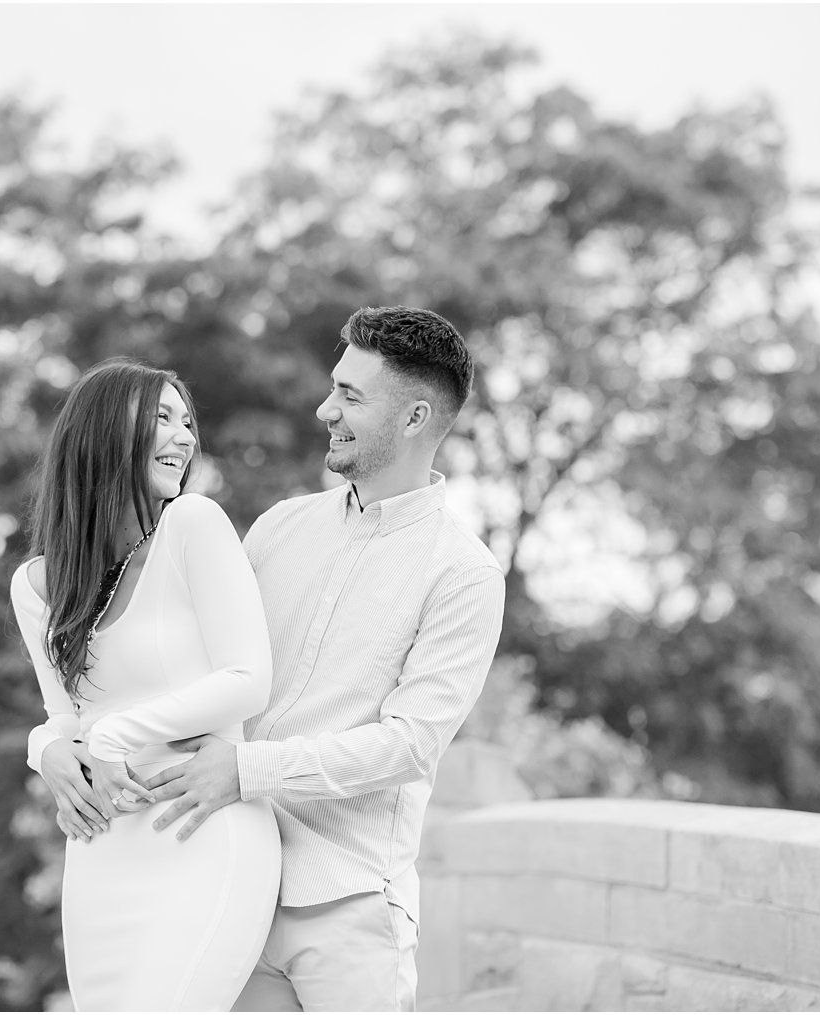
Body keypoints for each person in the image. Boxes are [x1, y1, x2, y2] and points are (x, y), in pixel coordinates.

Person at [142, 306, 506, 1011]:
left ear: (414, 418)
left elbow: (409, 744)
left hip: (349, 909)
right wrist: (61, 742)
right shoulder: (279, 527)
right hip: (232, 885)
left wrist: (248, 770)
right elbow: (195, 669)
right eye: (334, 386)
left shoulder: (463, 572)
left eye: (350, 395)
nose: (324, 407)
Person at [9, 359, 281, 1012]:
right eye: (161, 417)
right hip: (102, 851)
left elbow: (249, 680)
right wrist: (43, 749)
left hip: (203, 830)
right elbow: (65, 717)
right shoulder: (37, 585)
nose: (183, 436)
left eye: (187, 421)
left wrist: (114, 733)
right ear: (103, 430)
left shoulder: (195, 525)